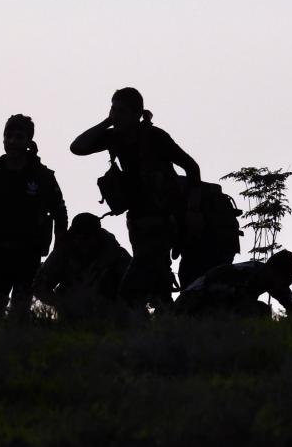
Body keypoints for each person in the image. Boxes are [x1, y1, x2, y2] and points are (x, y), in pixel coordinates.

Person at [70, 87, 201, 312]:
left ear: (136, 113)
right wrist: (105, 123)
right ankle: (166, 328)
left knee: (130, 290)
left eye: (121, 111)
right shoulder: (114, 138)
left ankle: (144, 327)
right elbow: (77, 148)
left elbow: (191, 167)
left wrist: (192, 210)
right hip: (138, 221)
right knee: (158, 284)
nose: (116, 115)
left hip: (162, 220)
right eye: (113, 109)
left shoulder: (155, 136)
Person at [0, 114, 68, 320]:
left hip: (28, 259)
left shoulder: (43, 177)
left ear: (29, 141)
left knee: (20, 318)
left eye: (18, 137)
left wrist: (56, 255)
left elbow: (60, 215)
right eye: (8, 136)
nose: (11, 141)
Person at [33, 213, 131, 322]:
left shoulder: (115, 253)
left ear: (96, 236)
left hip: (110, 317)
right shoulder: (63, 252)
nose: (80, 241)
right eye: (77, 236)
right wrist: (62, 303)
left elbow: (133, 284)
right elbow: (40, 285)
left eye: (85, 237)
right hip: (73, 318)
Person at [174, 249, 292, 318]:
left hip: (208, 305)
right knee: (258, 311)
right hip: (190, 305)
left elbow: (291, 304)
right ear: (275, 273)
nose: (285, 287)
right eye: (285, 282)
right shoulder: (247, 275)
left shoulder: (271, 277)